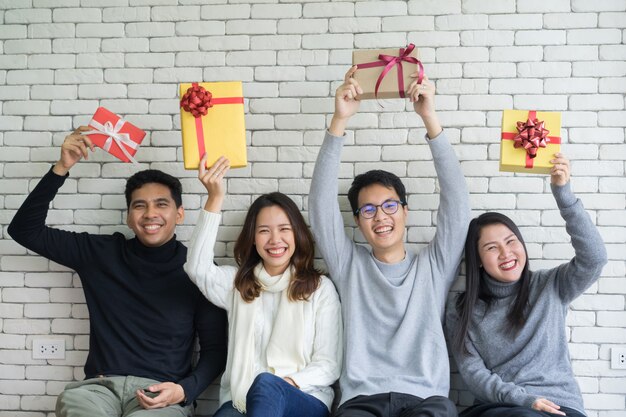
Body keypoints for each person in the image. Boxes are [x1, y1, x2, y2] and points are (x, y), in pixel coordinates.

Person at [8, 127, 228, 417]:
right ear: (128, 215)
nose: (150, 214)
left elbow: (215, 351)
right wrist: (61, 168)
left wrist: (184, 390)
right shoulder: (100, 253)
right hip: (98, 390)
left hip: (161, 394)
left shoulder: (199, 273)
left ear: (180, 214)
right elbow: (24, 230)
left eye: (161, 204)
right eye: (140, 206)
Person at [308, 66, 470, 417]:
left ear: (405, 211)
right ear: (357, 221)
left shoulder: (434, 266)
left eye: (389, 206)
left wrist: (430, 118)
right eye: (368, 210)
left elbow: (457, 206)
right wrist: (339, 121)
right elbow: (320, 208)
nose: (380, 216)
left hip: (427, 400)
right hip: (361, 402)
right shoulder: (350, 266)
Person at [445, 155, 607, 417]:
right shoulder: (461, 308)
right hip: (501, 406)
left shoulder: (551, 285)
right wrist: (523, 400)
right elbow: (473, 372)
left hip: (559, 405)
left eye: (511, 242)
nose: (505, 253)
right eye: (491, 248)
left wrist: (563, 194)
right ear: (478, 261)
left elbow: (595, 258)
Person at [184, 154, 342, 417]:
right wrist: (214, 198)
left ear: (297, 235)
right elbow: (197, 268)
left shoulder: (319, 289)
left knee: (267, 385)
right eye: (264, 231)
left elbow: (329, 364)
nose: (275, 239)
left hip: (303, 399)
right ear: (253, 239)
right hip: (240, 402)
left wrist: (281, 387)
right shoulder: (238, 285)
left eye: (284, 229)